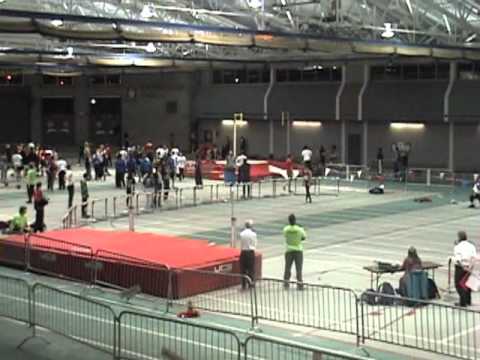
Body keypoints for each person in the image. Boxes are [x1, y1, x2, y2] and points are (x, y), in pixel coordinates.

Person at [453, 231, 477, 307]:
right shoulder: (471, 246)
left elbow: (458, 259)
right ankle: (468, 301)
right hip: (469, 266)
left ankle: (462, 302)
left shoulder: (457, 247)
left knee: (459, 285)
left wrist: (463, 267)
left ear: (459, 238)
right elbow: (474, 257)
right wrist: (470, 267)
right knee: (467, 284)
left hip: (461, 267)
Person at [283, 214, 306, 290]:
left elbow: (285, 236)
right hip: (298, 250)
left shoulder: (286, 229)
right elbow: (304, 237)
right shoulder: (299, 229)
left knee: (287, 267)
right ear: (295, 220)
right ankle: (299, 284)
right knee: (299, 268)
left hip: (289, 250)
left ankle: (286, 283)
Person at [239, 219, 257, 290]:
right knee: (251, 269)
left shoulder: (242, 234)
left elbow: (241, 243)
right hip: (250, 252)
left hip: (243, 252)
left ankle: (243, 285)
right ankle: (251, 284)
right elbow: (255, 244)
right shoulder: (253, 234)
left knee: (243, 269)